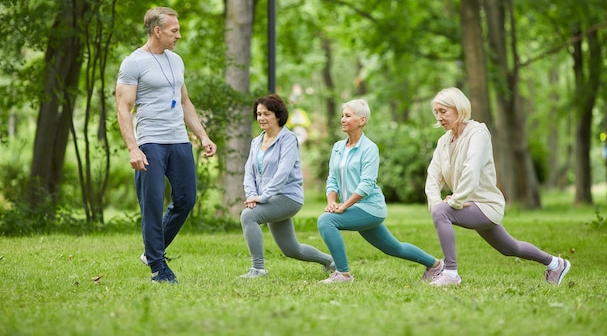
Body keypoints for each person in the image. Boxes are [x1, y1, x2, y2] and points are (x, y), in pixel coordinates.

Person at [425, 87, 571, 286]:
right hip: (469, 205)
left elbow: (472, 169)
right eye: (436, 112)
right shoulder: (444, 141)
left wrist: (456, 200)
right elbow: (433, 176)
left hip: (486, 205)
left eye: (443, 111)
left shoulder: (478, 133)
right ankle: (555, 263)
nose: (439, 117)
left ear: (458, 109)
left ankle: (450, 273)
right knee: (511, 248)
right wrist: (435, 202)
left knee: (442, 212)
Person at [116, 7, 217, 283]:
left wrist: (202, 136)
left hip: (179, 140)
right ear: (157, 31)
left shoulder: (176, 61)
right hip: (150, 142)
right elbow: (123, 108)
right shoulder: (133, 63)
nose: (179, 35)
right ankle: (158, 267)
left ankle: (151, 251)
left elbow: (184, 101)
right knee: (152, 203)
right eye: (174, 30)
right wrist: (133, 148)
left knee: (186, 199)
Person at [317, 99, 442, 284]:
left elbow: (367, 184)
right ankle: (436, 265)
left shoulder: (369, 148)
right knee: (394, 248)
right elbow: (332, 179)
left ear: (362, 120)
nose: (343, 119)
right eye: (342, 115)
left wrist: (344, 206)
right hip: (355, 208)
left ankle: (343, 274)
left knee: (326, 221)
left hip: (370, 208)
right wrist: (331, 201)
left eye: (348, 116)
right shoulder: (337, 147)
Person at [240, 94, 335, 278]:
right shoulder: (256, 142)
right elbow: (248, 172)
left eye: (266, 113)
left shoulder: (288, 139)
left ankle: (258, 269)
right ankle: (330, 261)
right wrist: (252, 195)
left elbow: (283, 173)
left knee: (248, 217)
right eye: (258, 114)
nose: (261, 118)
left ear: (277, 115)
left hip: (288, 197)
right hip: (266, 198)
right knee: (291, 249)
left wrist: (262, 197)